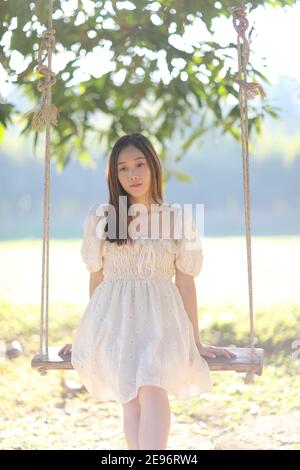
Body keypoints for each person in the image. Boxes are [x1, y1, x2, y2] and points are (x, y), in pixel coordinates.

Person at [59, 132, 235, 450]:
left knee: (152, 388)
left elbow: (185, 282)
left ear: (153, 166)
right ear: (114, 175)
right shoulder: (104, 217)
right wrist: (89, 334)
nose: (133, 175)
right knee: (132, 398)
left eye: (139, 164)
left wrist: (195, 341)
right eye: (123, 168)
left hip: (162, 322)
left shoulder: (178, 218)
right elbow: (96, 280)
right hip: (113, 323)